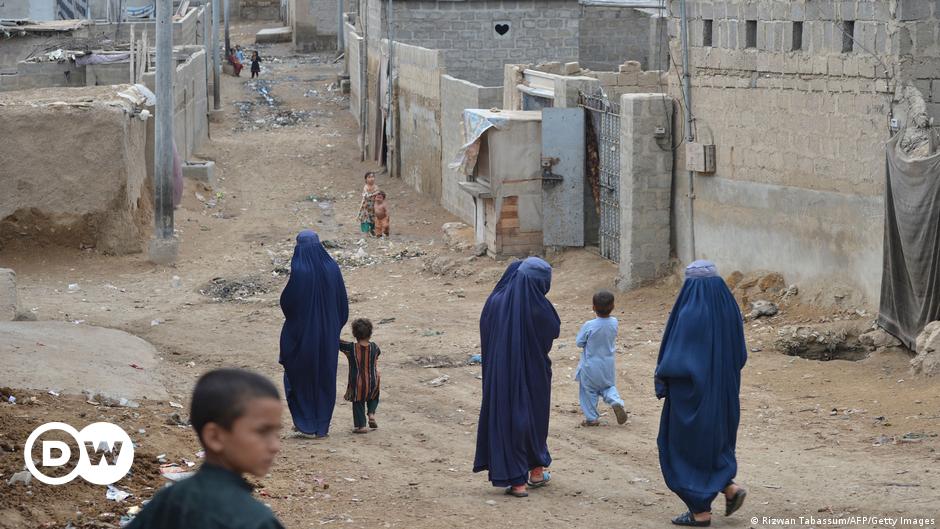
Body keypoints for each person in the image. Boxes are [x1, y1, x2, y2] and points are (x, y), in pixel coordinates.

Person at [126, 369, 285, 529]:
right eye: (262, 432)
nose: (275, 446)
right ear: (214, 437)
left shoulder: (168, 500)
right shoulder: (255, 520)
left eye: (276, 433)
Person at [655, 260, 748, 527]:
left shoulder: (690, 313)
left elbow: (678, 360)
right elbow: (740, 355)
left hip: (692, 395)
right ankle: (729, 488)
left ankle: (700, 511)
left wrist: (663, 378)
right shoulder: (729, 308)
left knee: (685, 447)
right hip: (725, 393)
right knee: (715, 442)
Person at [474, 257, 560, 498]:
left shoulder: (495, 300)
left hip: (501, 375)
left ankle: (517, 481)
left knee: (509, 417)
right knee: (534, 418)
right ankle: (536, 470)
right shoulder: (539, 307)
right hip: (535, 375)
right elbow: (552, 330)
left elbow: (486, 330)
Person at [279, 230, 349, 438]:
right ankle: (321, 427)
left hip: (302, 335)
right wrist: (333, 326)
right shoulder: (332, 267)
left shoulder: (300, 270)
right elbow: (342, 303)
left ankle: (305, 422)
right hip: (328, 335)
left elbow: (288, 302)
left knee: (299, 374)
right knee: (325, 377)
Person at [575, 290, 629, 427]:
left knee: (588, 391)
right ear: (613, 306)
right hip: (607, 365)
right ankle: (615, 401)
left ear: (593, 307)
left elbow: (579, 342)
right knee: (608, 387)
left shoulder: (589, 325)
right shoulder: (614, 322)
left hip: (590, 366)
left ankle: (592, 418)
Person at [339, 318, 382, 434]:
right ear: (370, 333)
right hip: (373, 380)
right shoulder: (375, 347)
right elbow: (378, 355)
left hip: (357, 382)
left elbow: (338, 342)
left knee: (358, 402)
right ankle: (371, 413)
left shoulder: (351, 348)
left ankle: (361, 426)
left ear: (354, 334)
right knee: (374, 396)